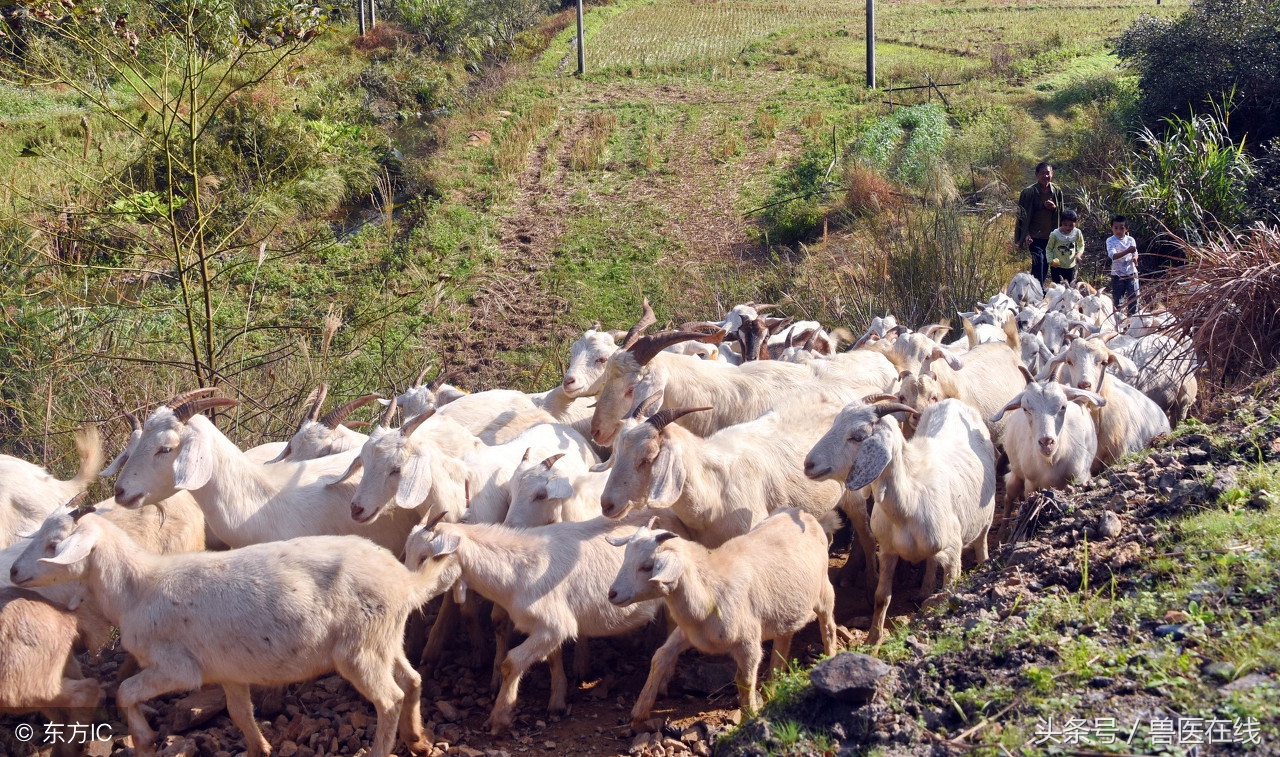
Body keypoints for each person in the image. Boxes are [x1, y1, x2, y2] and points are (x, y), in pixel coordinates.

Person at [1014, 162, 1064, 286]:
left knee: (1047, 263)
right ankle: (1037, 292)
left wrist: (1054, 208)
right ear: (1037, 175)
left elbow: (1062, 213)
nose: (1045, 176)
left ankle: (1039, 290)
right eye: (1043, 173)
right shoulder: (1028, 193)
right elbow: (1022, 217)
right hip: (1034, 236)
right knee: (1039, 262)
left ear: (1052, 174)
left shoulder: (1056, 192)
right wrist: (1025, 235)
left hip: (1051, 236)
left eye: (1048, 173)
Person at [1107, 215, 1140, 317]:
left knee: (1134, 298)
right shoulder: (1110, 241)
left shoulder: (1130, 240)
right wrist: (1128, 251)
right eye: (1115, 228)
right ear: (1112, 228)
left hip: (1131, 273)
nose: (1118, 231)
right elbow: (1113, 256)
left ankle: (1132, 320)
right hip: (1118, 275)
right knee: (1118, 301)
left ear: (1126, 229)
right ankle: (1119, 322)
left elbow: (1135, 252)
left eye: (1122, 228)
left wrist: (1135, 258)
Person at [1046, 209, 1083, 285]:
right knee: (1058, 287)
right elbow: (1049, 248)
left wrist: (1078, 254)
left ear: (1075, 223)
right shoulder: (1055, 234)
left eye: (1071, 225)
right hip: (1057, 267)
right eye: (1065, 225)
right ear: (1061, 223)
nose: (1067, 228)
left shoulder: (1077, 233)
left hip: (1070, 266)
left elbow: (1081, 245)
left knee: (1069, 287)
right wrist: (1050, 261)